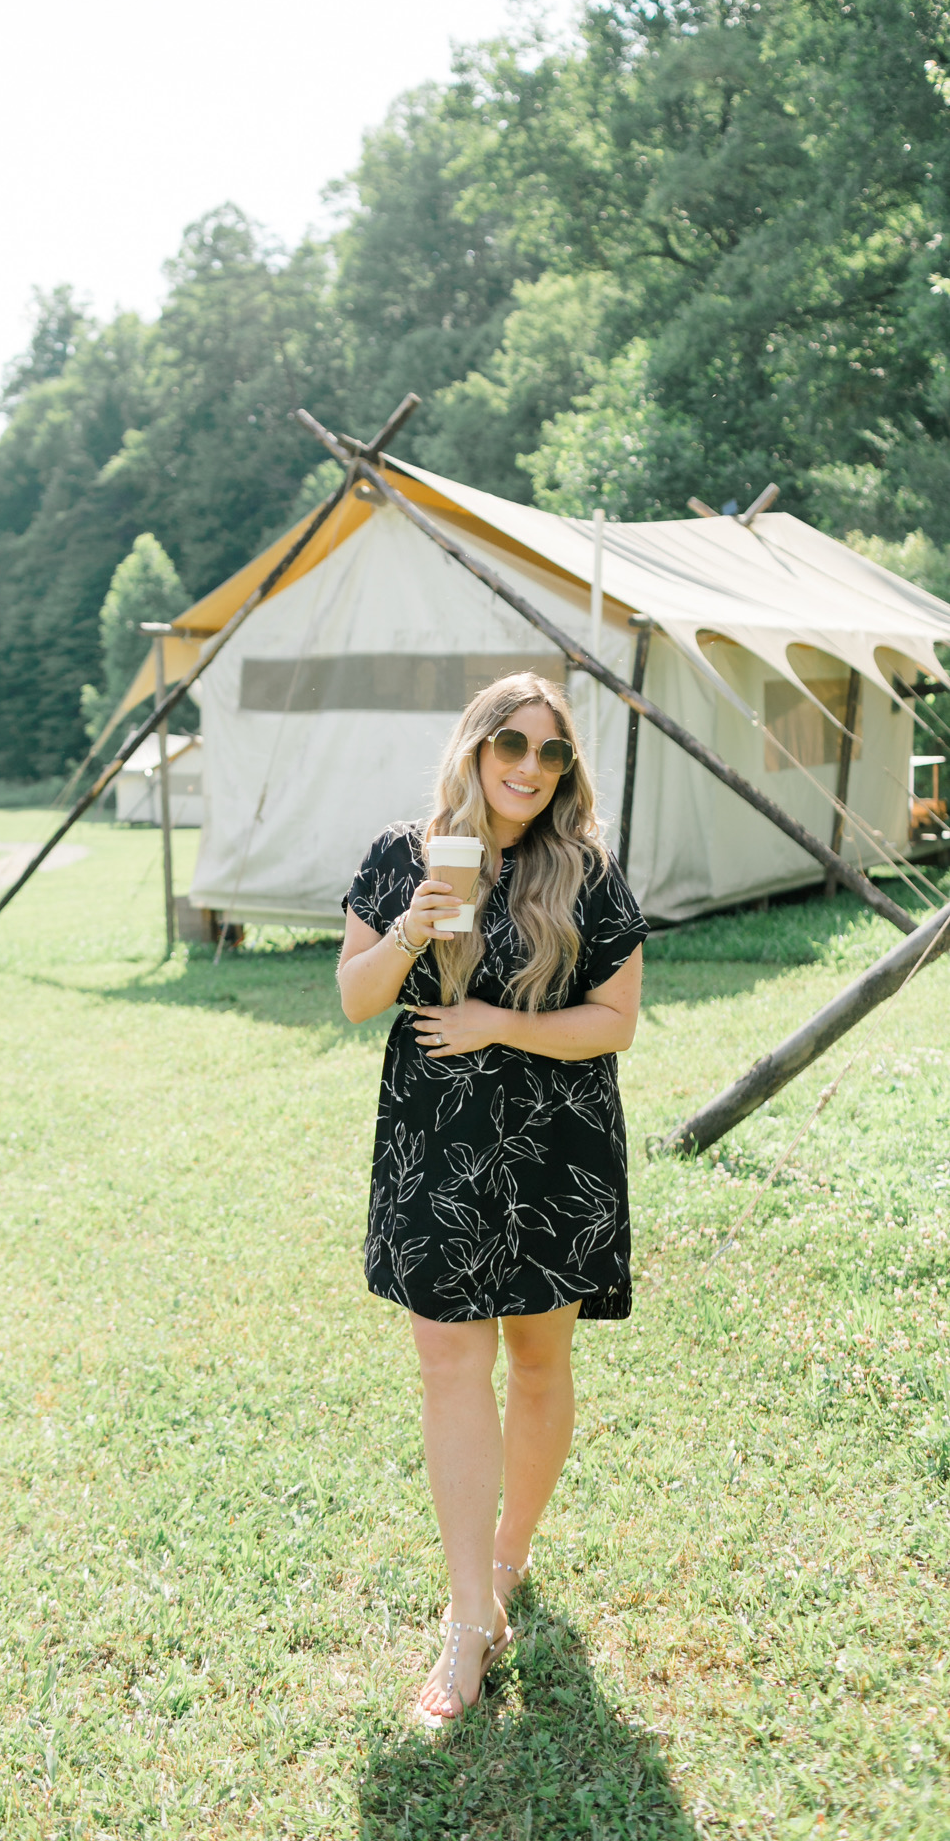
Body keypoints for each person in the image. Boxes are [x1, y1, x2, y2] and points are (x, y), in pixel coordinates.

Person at [338, 672, 648, 1726]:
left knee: (538, 1359)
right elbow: (354, 996)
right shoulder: (403, 851)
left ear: (566, 770)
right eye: (510, 742)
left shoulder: (587, 872)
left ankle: (510, 1556)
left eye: (551, 752)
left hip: (557, 1149)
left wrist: (499, 1024)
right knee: (449, 1362)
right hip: (438, 1146)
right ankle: (468, 1618)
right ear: (475, 746)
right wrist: (414, 930)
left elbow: (615, 1019)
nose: (528, 765)